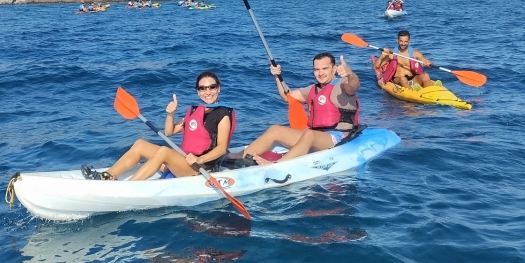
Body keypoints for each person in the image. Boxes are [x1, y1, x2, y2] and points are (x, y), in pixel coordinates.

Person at [82, 71, 236, 181]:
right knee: (140, 144)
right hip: (184, 162)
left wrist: (200, 159)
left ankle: (131, 186)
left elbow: (222, 148)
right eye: (203, 88)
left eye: (212, 87)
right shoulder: (196, 110)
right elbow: (169, 132)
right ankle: (108, 175)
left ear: (218, 88)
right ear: (198, 92)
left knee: (163, 151)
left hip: (202, 168)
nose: (207, 91)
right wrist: (170, 114)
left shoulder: (222, 114)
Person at [236, 53, 360, 165]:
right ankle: (237, 157)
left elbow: (354, 85)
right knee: (275, 129)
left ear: (334, 68)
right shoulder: (313, 89)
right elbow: (287, 96)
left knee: (309, 134)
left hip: (337, 137)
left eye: (325, 68)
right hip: (314, 135)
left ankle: (277, 164)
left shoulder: (343, 84)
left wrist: (350, 73)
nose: (320, 73)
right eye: (316, 69)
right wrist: (277, 77)